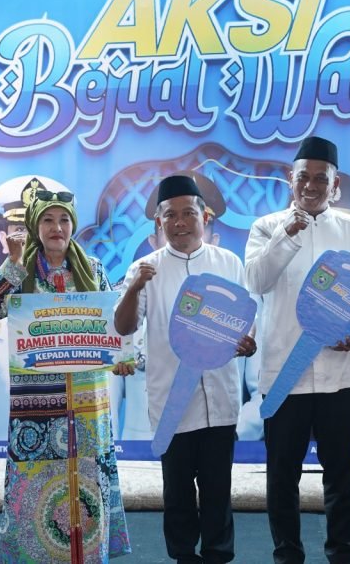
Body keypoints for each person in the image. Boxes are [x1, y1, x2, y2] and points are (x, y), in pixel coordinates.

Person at [245, 136, 350, 564]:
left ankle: (344, 555)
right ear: (291, 178)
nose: (311, 185)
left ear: (335, 185)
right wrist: (287, 234)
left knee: (341, 476)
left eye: (322, 178)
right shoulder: (266, 226)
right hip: (285, 372)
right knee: (282, 476)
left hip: (340, 373)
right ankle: (288, 555)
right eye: (304, 176)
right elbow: (256, 281)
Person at [0, 187, 131, 563]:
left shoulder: (92, 268)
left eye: (64, 220)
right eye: (48, 220)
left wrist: (124, 355)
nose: (56, 227)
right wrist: (14, 262)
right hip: (37, 400)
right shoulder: (22, 268)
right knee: (35, 481)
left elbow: (112, 322)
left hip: (88, 400)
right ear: (35, 226)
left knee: (88, 479)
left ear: (73, 226)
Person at [115, 175, 255, 564]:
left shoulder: (229, 263)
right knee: (176, 491)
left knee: (217, 488)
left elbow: (245, 322)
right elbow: (124, 327)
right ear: (159, 222)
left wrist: (248, 341)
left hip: (220, 398)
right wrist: (133, 288)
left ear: (204, 216)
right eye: (170, 215)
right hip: (171, 402)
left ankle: (218, 554)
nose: (180, 222)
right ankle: (183, 556)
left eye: (188, 213)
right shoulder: (145, 269)